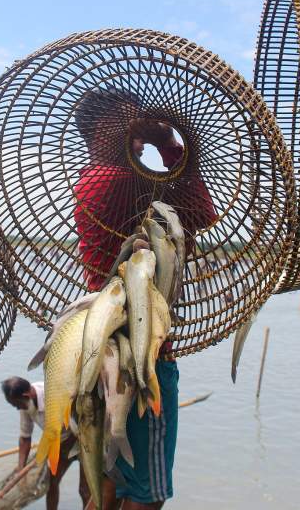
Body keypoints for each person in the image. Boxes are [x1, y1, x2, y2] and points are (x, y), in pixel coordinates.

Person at [72, 88, 216, 509]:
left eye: (140, 128)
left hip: (105, 345)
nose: (138, 137)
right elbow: (202, 213)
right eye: (129, 127)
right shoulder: (118, 180)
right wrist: (169, 144)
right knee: (148, 491)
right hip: (143, 353)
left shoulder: (92, 179)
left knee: (111, 476)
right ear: (99, 132)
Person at [1, 376, 83, 510]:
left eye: (16, 404)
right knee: (51, 484)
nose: (17, 408)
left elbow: (78, 429)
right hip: (59, 444)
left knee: (84, 489)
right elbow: (25, 438)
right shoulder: (25, 405)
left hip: (81, 441)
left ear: (26, 395)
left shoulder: (53, 396)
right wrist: (21, 468)